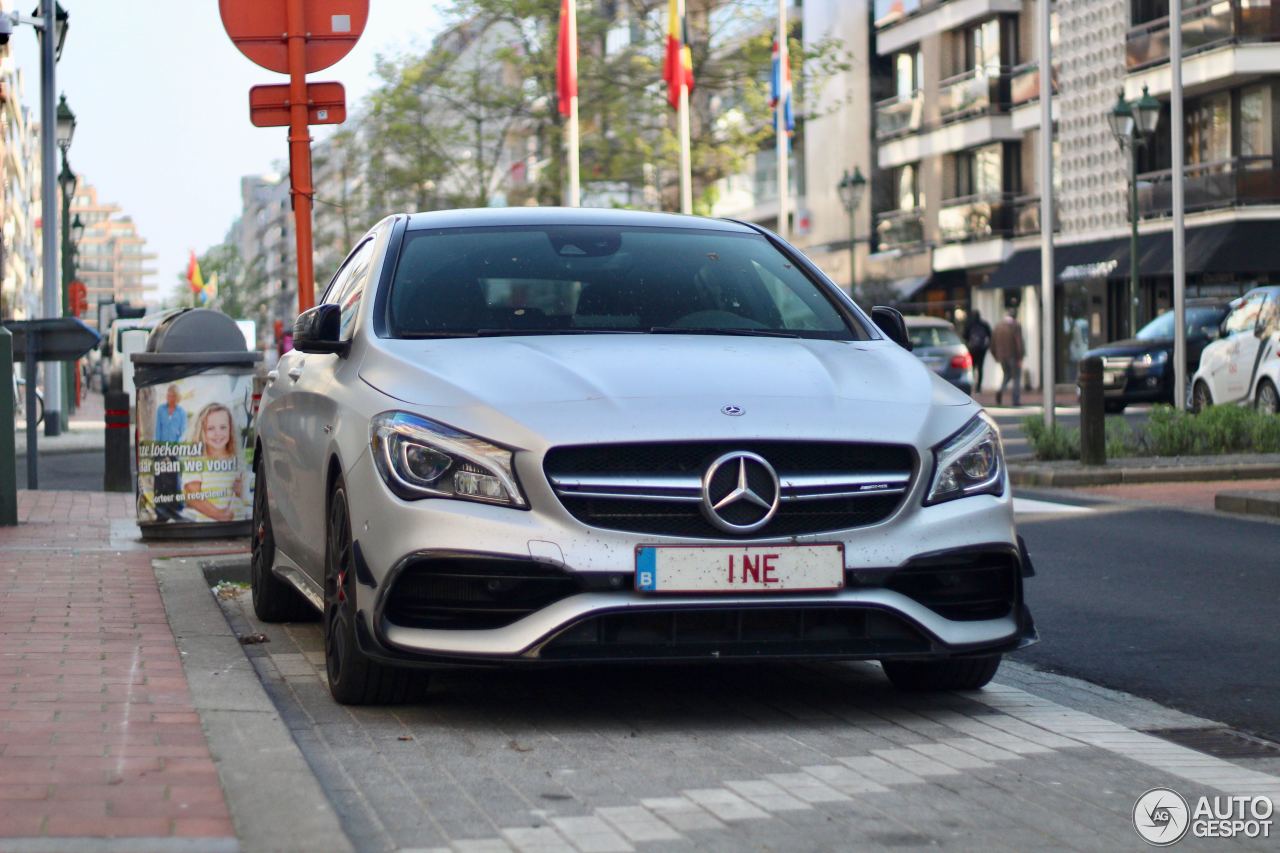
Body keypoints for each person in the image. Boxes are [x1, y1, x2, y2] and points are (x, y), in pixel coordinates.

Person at [183, 403, 245, 523]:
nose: (218, 433)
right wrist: (220, 515)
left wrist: (240, 491)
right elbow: (192, 497)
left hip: (237, 523)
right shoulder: (196, 461)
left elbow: (243, 497)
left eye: (223, 427)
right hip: (207, 524)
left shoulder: (236, 460)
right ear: (201, 431)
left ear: (230, 429)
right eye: (211, 428)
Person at [152, 384, 187, 522]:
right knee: (160, 479)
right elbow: (158, 430)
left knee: (175, 479)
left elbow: (183, 432)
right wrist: (160, 448)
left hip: (175, 449)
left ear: (176, 397)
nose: (169, 397)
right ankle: (160, 508)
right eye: (168, 395)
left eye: (172, 395)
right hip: (162, 448)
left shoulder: (181, 412)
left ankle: (175, 507)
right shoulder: (161, 410)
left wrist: (174, 448)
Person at [991, 308, 1025, 406]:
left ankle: (1000, 390)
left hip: (1002, 356)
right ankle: (1015, 400)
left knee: (1007, 375)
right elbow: (1019, 342)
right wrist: (1020, 357)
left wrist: (995, 356)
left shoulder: (998, 326)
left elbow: (992, 343)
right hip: (1013, 356)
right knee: (1016, 377)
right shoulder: (1015, 325)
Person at [964, 310, 992, 393]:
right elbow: (990, 335)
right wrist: (986, 346)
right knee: (980, 368)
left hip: (972, 349)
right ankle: (978, 387)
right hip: (981, 349)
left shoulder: (969, 324)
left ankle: (972, 385)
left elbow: (964, 336)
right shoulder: (984, 324)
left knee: (972, 368)